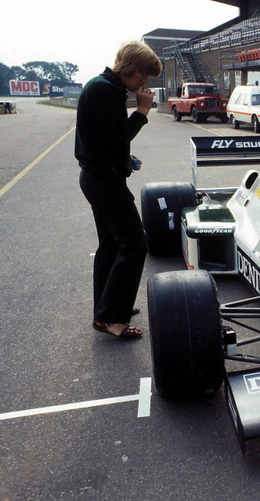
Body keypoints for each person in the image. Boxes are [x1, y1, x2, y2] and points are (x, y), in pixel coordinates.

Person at [75, 41, 161, 340]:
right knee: (135, 245)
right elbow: (117, 136)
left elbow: (103, 139)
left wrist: (125, 158)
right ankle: (112, 317)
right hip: (103, 180)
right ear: (132, 68)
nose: (145, 82)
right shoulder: (104, 90)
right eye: (144, 75)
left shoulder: (104, 86)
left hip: (99, 174)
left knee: (111, 246)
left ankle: (106, 309)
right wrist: (142, 111)